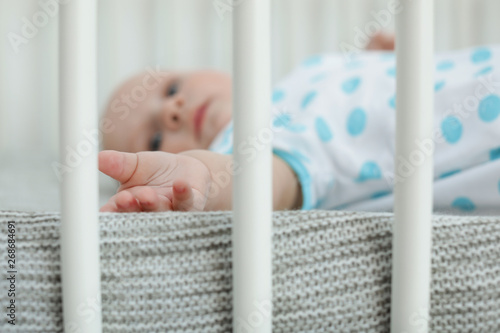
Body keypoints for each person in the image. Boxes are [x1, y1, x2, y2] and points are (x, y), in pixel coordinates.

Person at [99, 33, 500, 213]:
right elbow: (269, 181)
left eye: (171, 88)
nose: (173, 110)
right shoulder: (244, 146)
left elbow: (349, 103)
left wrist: (370, 63)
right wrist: (202, 174)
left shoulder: (298, 80)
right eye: (154, 139)